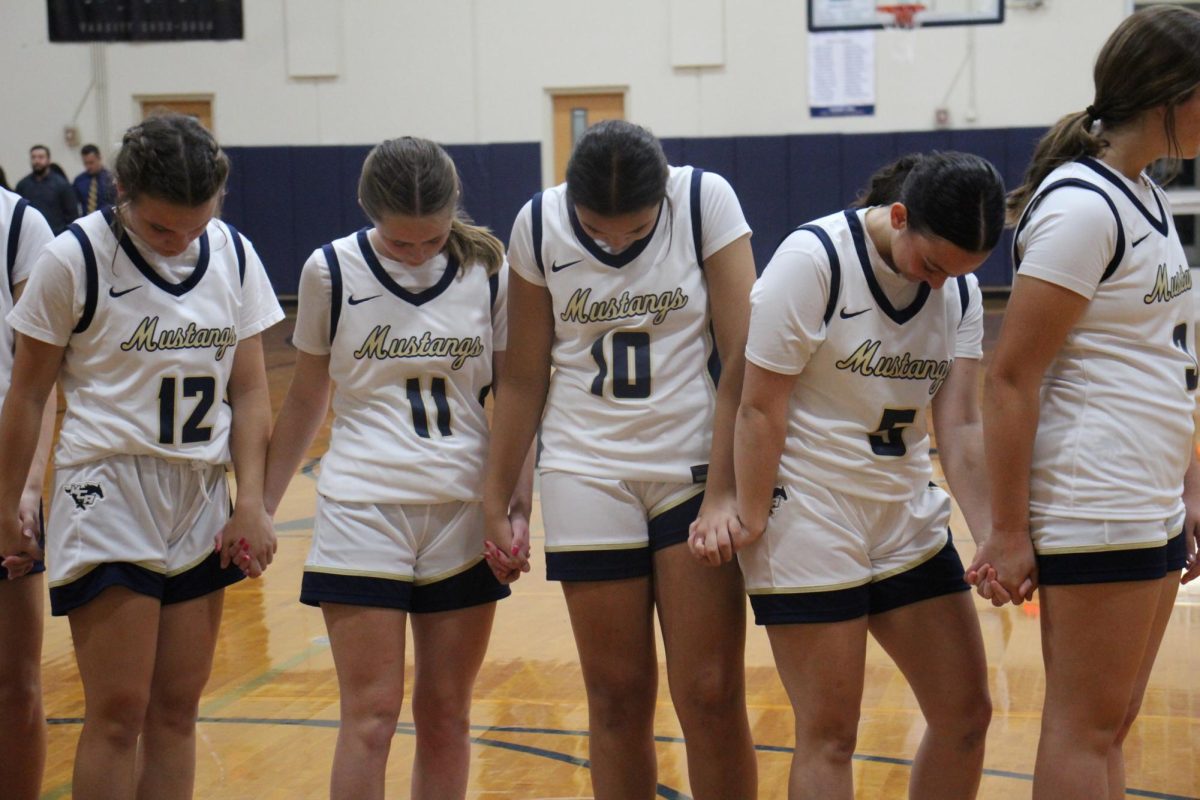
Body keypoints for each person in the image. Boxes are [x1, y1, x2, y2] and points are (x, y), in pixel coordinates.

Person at [0, 112, 283, 800]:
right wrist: (9, 502)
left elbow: (249, 389)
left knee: (177, 711)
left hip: (198, 494)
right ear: (121, 191)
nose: (180, 241)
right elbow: (29, 393)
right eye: (161, 228)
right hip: (106, 489)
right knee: (119, 712)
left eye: (196, 224)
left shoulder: (234, 254)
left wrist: (251, 501)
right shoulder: (72, 259)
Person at [482, 119, 758, 799]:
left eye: (633, 233)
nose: (614, 243)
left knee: (711, 692)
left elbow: (746, 363)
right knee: (615, 696)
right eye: (598, 231)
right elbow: (521, 378)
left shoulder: (704, 201)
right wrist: (498, 498)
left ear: (660, 198)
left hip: (693, 464)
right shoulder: (538, 224)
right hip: (584, 467)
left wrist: (726, 490)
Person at [968, 6, 1200, 798]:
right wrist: (1007, 530)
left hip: (1148, 495)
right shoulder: (1082, 207)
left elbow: (1165, 358)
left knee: (1112, 722)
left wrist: (1189, 483)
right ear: (1170, 95)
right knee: (1085, 727)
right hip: (1096, 499)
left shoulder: (1144, 194)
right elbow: (1009, 378)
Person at [726, 152, 1005, 800]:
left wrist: (990, 531)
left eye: (963, 273)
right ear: (899, 217)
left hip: (903, 511)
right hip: (811, 510)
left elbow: (959, 425)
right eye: (933, 265)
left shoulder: (955, 288)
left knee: (966, 714)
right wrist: (756, 517)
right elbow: (757, 406)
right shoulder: (813, 262)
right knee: (830, 734)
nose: (943, 286)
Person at [263, 137, 528, 800]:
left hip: (462, 513)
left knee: (446, 716)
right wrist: (257, 506)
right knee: (372, 717)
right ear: (366, 210)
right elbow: (306, 394)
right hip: (362, 506)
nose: (415, 254)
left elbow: (516, 398)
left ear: (453, 213)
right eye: (400, 243)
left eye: (430, 241)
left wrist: (515, 507)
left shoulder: (488, 271)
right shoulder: (331, 271)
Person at [0, 187, 58, 800]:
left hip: (2, 469)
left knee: (15, 683)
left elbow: (36, 380)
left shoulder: (17, 223)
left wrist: (24, 487)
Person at [15, 145, 78, 235]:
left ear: (48, 160)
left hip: (57, 237)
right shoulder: (23, 185)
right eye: (33, 157)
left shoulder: (62, 185)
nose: (37, 161)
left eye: (41, 157)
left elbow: (72, 215)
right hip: (31, 236)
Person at [73, 144, 117, 216]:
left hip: (108, 221)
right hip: (86, 222)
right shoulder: (79, 181)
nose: (88, 166)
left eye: (91, 162)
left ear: (99, 158)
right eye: (85, 163)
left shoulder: (111, 179)